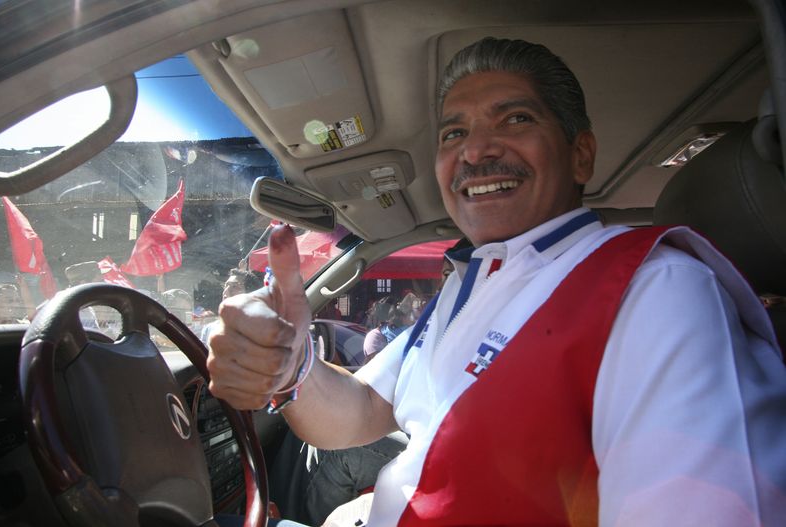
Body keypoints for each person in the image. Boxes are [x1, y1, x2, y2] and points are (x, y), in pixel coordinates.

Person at [207, 37, 786, 526]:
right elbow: (360, 410)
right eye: (453, 134)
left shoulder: (657, 290)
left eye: (516, 119)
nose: (477, 150)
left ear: (580, 155)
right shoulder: (467, 284)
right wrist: (290, 369)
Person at [200, 268, 263, 344]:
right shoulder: (209, 330)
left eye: (235, 287)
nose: (226, 292)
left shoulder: (261, 333)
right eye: (226, 285)